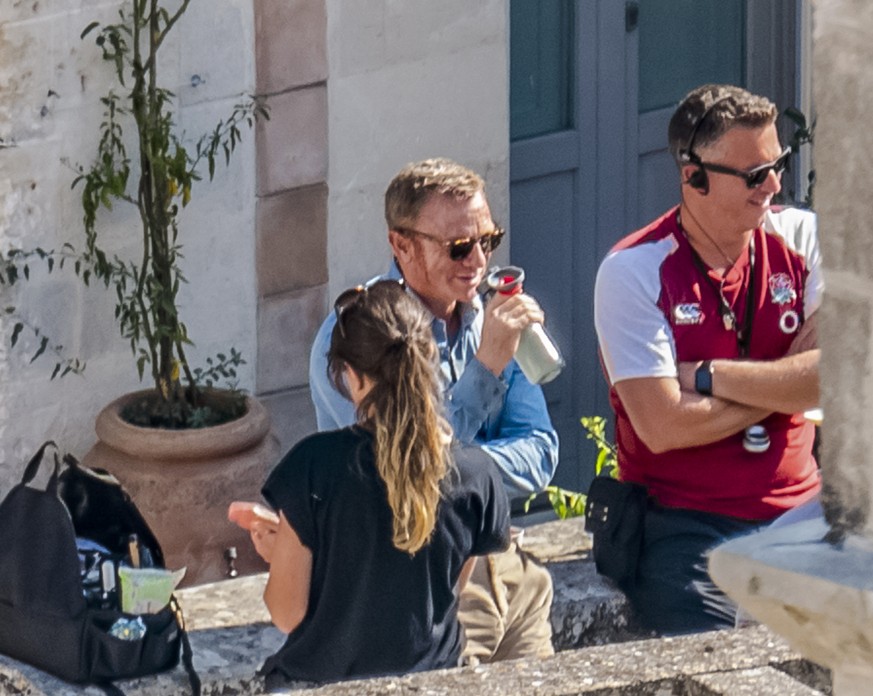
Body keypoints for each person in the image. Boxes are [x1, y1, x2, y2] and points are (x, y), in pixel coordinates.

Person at [593, 84, 822, 635]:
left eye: (779, 164)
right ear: (693, 176)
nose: (774, 184)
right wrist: (784, 385)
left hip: (804, 511)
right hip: (686, 528)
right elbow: (663, 425)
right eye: (754, 173)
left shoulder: (801, 235)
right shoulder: (633, 271)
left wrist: (706, 377)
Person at [309, 158, 558, 663]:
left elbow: (540, 452)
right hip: (420, 578)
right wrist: (486, 370)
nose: (479, 261)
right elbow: (399, 475)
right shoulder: (355, 342)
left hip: (508, 565)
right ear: (401, 245)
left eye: (488, 241)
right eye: (459, 247)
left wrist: (466, 475)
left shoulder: (490, 318)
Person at [236, 280, 510, 686]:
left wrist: (283, 554)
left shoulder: (314, 467)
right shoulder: (477, 475)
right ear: (427, 358)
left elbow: (287, 613)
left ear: (354, 377)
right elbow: (440, 595)